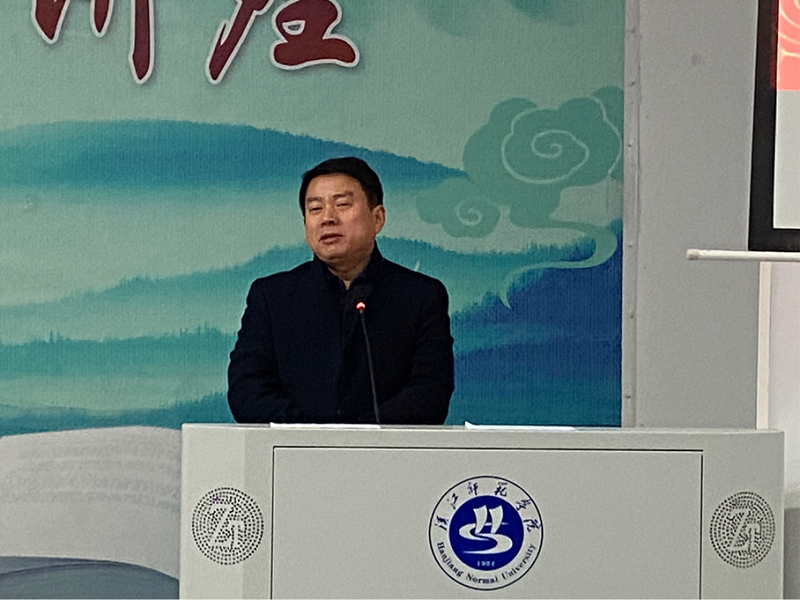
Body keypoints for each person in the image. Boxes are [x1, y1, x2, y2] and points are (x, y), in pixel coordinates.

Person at [227, 156, 454, 424]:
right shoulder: (272, 297)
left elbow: (430, 393)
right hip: (294, 447)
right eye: (315, 209)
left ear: (378, 218)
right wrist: (311, 435)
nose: (327, 218)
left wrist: (359, 436)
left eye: (342, 205)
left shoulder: (420, 296)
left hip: (384, 448)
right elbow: (247, 390)